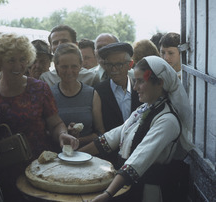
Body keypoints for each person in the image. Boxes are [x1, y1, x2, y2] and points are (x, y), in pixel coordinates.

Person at [81, 55, 194, 202]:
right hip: (126, 186)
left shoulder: (167, 120)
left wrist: (108, 194)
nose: (135, 87)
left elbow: (139, 158)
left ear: (159, 83)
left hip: (149, 192)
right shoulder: (143, 110)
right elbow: (112, 137)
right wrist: (73, 155)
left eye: (140, 81)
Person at [0, 32, 79, 201]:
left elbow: (55, 123)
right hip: (5, 169)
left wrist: (62, 134)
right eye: (11, 60)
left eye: (22, 59)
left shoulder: (39, 88)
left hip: (39, 167)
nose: (18, 65)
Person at [51, 43, 105, 147]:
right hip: (58, 156)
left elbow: (100, 132)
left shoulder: (92, 94)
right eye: (64, 67)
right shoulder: (50, 95)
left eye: (74, 66)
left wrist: (77, 140)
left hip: (87, 154)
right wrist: (64, 133)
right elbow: (47, 132)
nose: (69, 71)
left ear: (80, 65)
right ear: (56, 66)